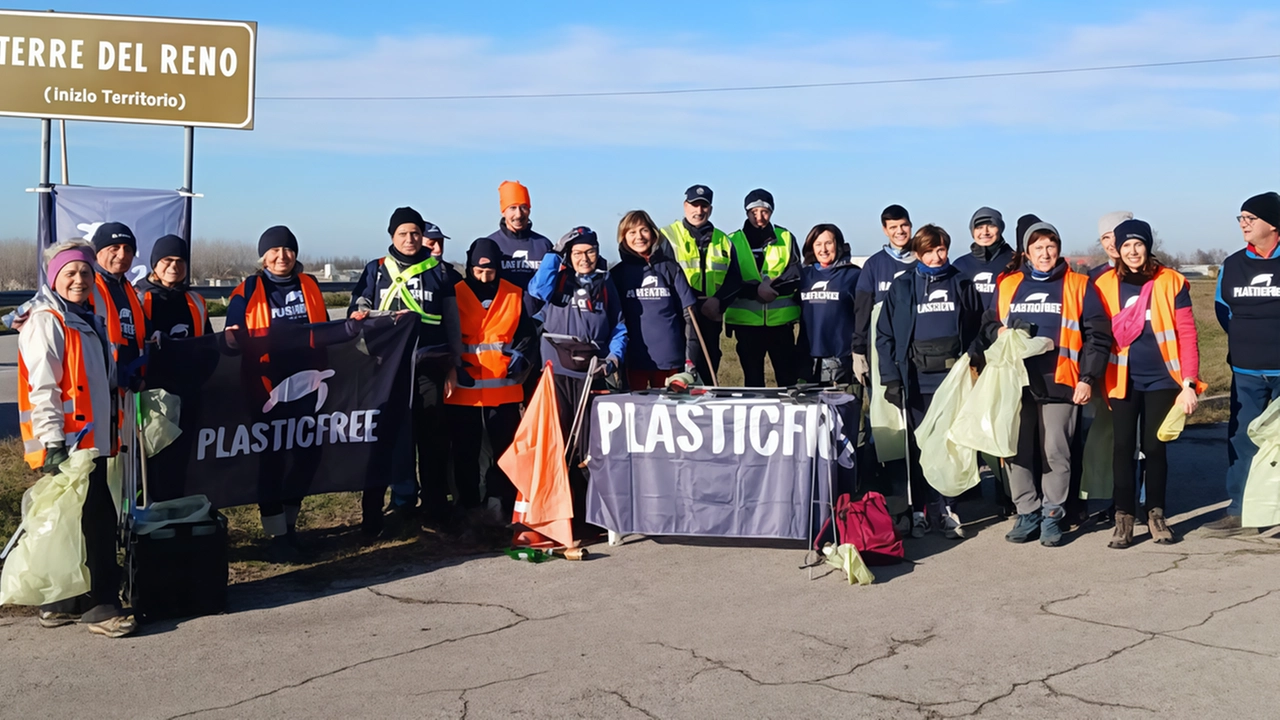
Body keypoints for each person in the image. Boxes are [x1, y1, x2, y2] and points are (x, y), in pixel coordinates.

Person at [18, 241, 137, 638]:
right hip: (70, 445)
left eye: (85, 273)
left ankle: (61, 602)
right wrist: (52, 443)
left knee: (75, 523)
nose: (79, 280)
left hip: (92, 441)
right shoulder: (47, 321)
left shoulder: (86, 317)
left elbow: (95, 378)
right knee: (97, 522)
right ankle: (101, 606)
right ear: (54, 279)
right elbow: (44, 388)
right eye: (69, 273)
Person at [985, 220, 1111, 547]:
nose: (1045, 253)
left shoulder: (1079, 284)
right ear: (1026, 252)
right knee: (1017, 450)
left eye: (1050, 246)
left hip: (1061, 381)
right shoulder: (1009, 284)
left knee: (1056, 450)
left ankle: (1053, 514)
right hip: (1016, 383)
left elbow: (1098, 337)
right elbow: (987, 325)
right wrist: (997, 332)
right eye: (1038, 247)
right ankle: (1027, 511)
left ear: (1059, 249)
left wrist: (1087, 378)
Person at [348, 207, 462, 532]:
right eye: (403, 234)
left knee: (432, 441)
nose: (410, 239)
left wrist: (455, 363)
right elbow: (358, 305)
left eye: (415, 233)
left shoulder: (441, 272)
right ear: (392, 237)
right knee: (386, 441)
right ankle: (384, 512)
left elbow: (452, 321)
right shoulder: (376, 269)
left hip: (429, 367)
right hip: (386, 370)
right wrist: (361, 311)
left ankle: (436, 507)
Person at [1093, 219, 1203, 547]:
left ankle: (1156, 514)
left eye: (1138, 244)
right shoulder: (1104, 283)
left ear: (1148, 246)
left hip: (1163, 379)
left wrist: (1189, 383)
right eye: (1126, 245)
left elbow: (1187, 333)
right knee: (1123, 448)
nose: (1132, 251)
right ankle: (1124, 517)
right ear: (1117, 249)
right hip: (1121, 379)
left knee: (1155, 447)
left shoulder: (1171, 281)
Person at [225, 226, 330, 554]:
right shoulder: (248, 288)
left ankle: (290, 523)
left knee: (307, 454)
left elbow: (327, 328)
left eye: (287, 250)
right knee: (272, 458)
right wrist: (231, 336)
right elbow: (230, 340)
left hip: (308, 384)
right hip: (266, 388)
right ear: (263, 256)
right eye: (274, 251)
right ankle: (275, 535)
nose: (281, 256)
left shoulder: (309, 284)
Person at [876, 224, 983, 539]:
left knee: (952, 445)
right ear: (918, 253)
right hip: (915, 380)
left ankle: (948, 508)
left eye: (942, 249)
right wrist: (891, 379)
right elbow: (885, 337)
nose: (938, 257)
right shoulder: (902, 287)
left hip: (953, 380)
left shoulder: (961, 283)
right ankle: (921, 509)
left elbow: (979, 326)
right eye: (930, 251)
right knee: (922, 446)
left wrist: (974, 356)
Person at [527, 226, 627, 532]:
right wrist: (555, 253)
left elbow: (619, 326)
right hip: (556, 374)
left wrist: (613, 359)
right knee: (558, 445)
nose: (585, 258)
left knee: (590, 448)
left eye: (591, 251)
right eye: (578, 252)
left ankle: (590, 516)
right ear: (569, 256)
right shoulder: (556, 280)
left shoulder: (606, 283)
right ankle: (557, 515)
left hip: (593, 375)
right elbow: (536, 292)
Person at [445, 237, 538, 522]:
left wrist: (522, 357)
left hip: (504, 388)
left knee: (505, 451)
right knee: (465, 451)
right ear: (470, 266)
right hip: (465, 388)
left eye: (490, 270)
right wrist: (453, 363)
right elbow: (445, 334)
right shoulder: (455, 293)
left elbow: (527, 335)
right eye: (479, 270)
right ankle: (469, 504)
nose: (485, 276)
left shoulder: (514, 293)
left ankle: (502, 502)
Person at [1211, 191, 1280, 537]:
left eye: (1250, 219)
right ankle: (1240, 510)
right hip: (1247, 369)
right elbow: (1223, 309)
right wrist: (1246, 337)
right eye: (1241, 219)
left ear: (1273, 224)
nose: (1244, 225)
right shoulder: (1233, 263)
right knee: (1243, 438)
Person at [703, 188, 801, 387]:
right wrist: (756, 291)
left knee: (787, 380)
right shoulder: (732, 240)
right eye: (754, 211)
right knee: (753, 382)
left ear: (771, 212)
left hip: (781, 325)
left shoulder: (786, 238)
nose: (759, 216)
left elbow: (796, 274)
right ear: (746, 212)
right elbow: (729, 279)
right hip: (746, 325)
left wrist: (773, 290)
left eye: (764, 211)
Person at [612, 210, 698, 389]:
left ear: (653, 232)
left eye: (644, 230)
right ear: (623, 237)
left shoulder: (670, 268)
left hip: (670, 358)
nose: (639, 237)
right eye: (632, 232)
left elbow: (690, 315)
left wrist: (690, 359)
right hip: (633, 360)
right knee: (636, 413)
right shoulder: (616, 274)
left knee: (671, 411)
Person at [660, 185, 733, 382]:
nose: (698, 211)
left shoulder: (724, 240)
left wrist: (719, 301)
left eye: (704, 206)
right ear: (685, 206)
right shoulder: (666, 236)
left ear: (710, 209)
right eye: (694, 205)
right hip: (678, 313)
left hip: (710, 313)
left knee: (709, 368)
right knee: (681, 369)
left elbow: (734, 279)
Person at [852, 205, 916, 387]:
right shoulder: (874, 265)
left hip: (916, 347)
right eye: (893, 227)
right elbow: (862, 310)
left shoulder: (923, 260)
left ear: (910, 225)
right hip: (881, 347)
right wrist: (858, 349)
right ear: (885, 230)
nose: (900, 231)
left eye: (903, 225)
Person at [798, 223, 861, 385]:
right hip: (808, 355)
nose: (823, 249)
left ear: (838, 245)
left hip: (842, 356)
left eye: (828, 243)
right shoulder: (804, 275)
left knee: (843, 407)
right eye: (818, 244)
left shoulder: (854, 275)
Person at [135, 234, 212, 340]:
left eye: (180, 261)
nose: (174, 266)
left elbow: (209, 342)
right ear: (154, 265)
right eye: (168, 260)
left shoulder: (196, 300)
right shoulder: (138, 297)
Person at [953, 207, 1014, 310]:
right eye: (979, 227)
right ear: (972, 231)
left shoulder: (1014, 262)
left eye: (991, 226)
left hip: (1002, 325)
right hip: (970, 325)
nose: (985, 232)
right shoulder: (960, 265)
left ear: (1000, 228)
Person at [1090, 211, 1134, 280]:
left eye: (1117, 236)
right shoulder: (1094, 277)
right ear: (1101, 242)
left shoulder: (1150, 273)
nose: (1113, 243)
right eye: (1106, 237)